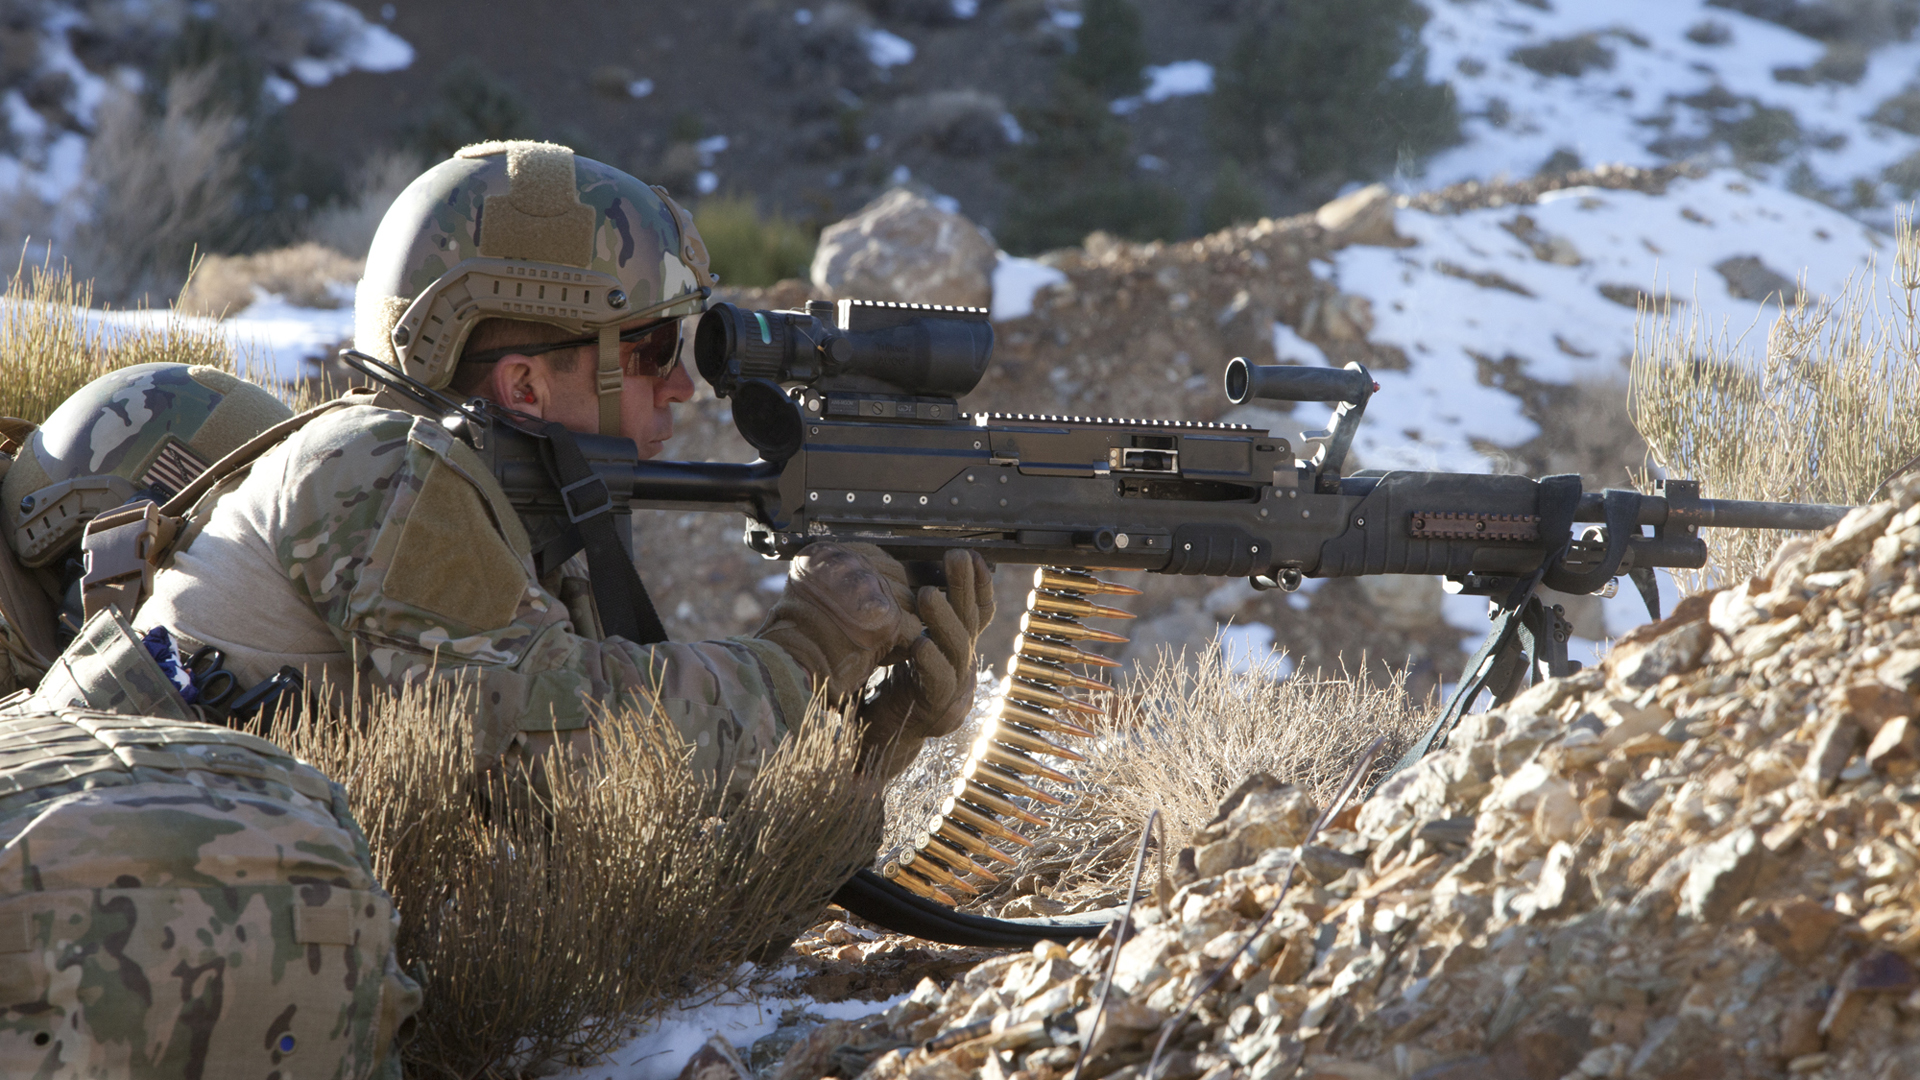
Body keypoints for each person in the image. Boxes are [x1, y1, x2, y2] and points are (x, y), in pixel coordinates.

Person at [27, 138, 989, 789]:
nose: (683, 390)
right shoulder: (383, 470)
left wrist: (866, 741)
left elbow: (605, 863)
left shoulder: (496, 520)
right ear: (524, 385)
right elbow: (572, 750)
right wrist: (808, 656)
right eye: (655, 350)